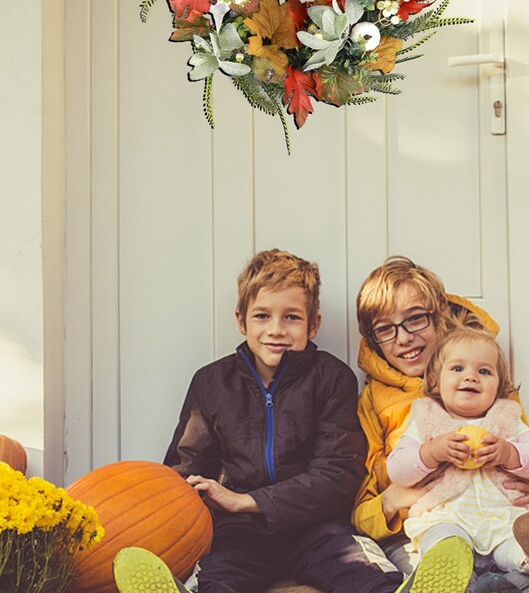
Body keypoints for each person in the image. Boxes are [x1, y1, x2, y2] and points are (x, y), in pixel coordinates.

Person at [112, 249, 473, 593]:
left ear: (313, 324)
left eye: (292, 317)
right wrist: (172, 519)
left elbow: (337, 474)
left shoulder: (332, 377)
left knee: (362, 570)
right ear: (240, 320)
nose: (276, 329)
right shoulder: (212, 382)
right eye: (262, 316)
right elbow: (185, 468)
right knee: (220, 575)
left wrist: (247, 501)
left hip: (319, 526)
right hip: (239, 531)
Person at [352, 256, 529, 593]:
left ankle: (505, 582)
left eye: (415, 319)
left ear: (439, 315)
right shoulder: (373, 400)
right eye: (385, 329)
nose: (403, 338)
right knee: (449, 575)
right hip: (425, 530)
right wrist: (391, 500)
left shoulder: (487, 384)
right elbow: (359, 506)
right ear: (373, 338)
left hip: (497, 522)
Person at [387, 324, 529, 586]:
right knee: (443, 540)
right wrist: (431, 452)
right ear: (435, 380)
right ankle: (444, 564)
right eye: (457, 368)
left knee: (513, 545)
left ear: (499, 385)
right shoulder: (427, 420)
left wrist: (509, 454)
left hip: (500, 522)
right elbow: (397, 469)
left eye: (484, 371)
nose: (471, 377)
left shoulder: (506, 419)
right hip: (447, 519)